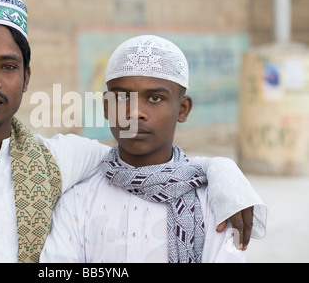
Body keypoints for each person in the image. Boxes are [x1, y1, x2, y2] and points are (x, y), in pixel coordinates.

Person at [0, 0, 265, 263]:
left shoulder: (59, 160)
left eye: (7, 66)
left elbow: (144, 161)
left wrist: (222, 172)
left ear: (26, 76)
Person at [40, 35, 267, 263]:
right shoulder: (77, 201)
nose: (135, 112)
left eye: (155, 98)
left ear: (183, 109)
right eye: (122, 97)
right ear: (107, 108)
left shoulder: (214, 202)